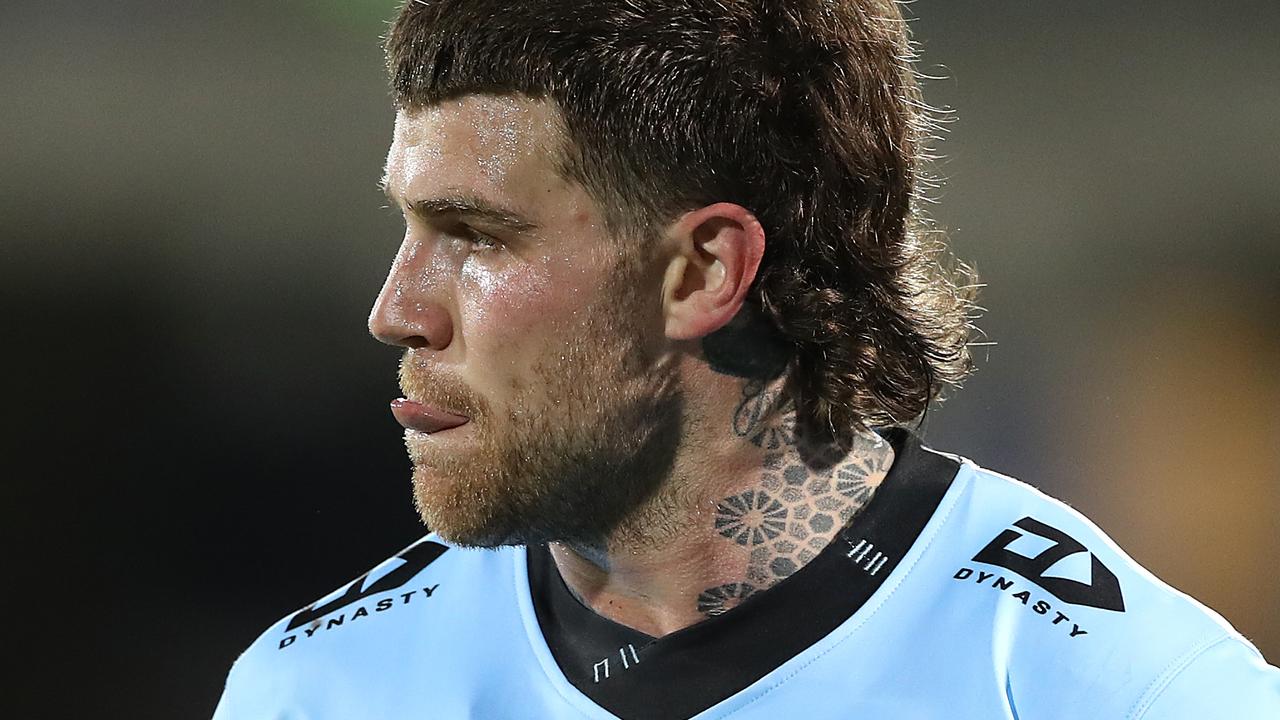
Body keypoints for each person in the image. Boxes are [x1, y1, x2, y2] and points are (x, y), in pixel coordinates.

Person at [212, 1, 1280, 717]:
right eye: (407, 228)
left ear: (700, 272)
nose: (395, 311)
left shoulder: (1097, 683)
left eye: (479, 236)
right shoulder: (321, 690)